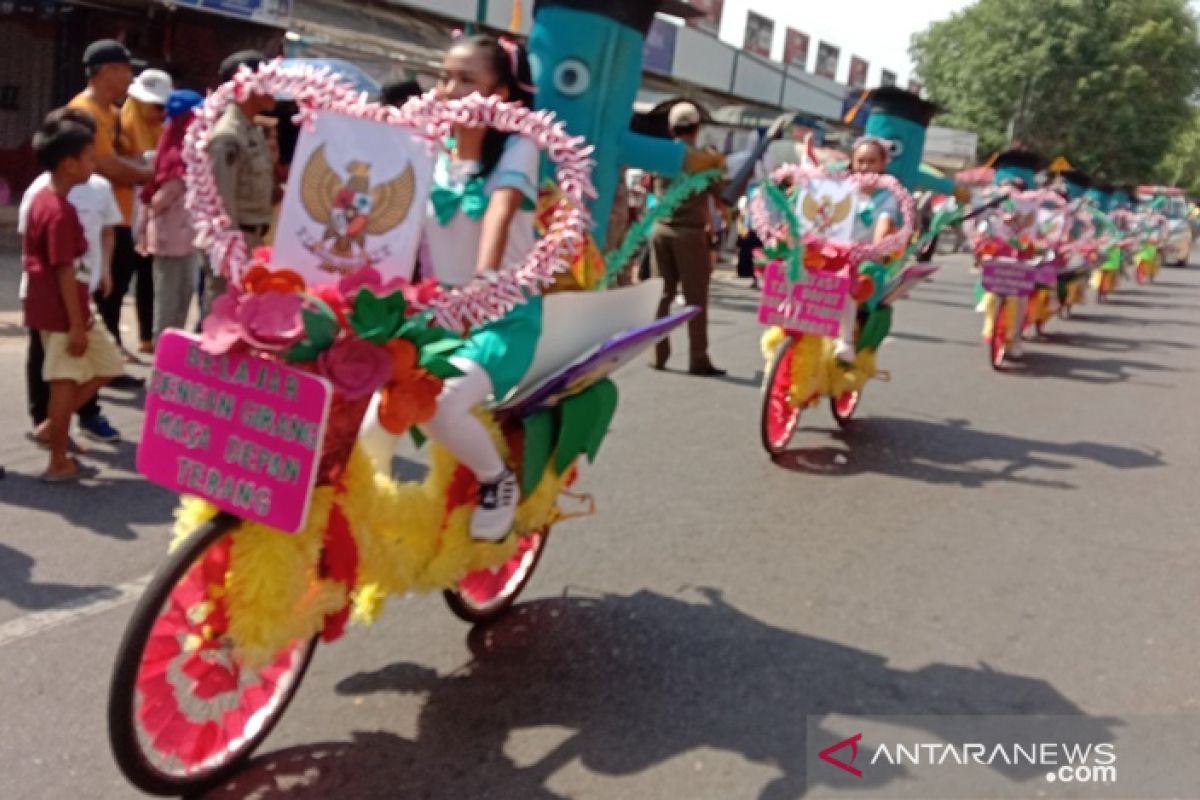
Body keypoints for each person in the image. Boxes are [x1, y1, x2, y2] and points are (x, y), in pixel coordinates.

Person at [412, 33, 540, 541]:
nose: (447, 89)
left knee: (439, 406)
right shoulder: (426, 148)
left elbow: (501, 213)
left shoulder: (519, 147)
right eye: (444, 76)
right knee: (369, 413)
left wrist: (483, 286)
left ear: (502, 95)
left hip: (499, 318)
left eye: (466, 79)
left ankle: (497, 480)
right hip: (432, 313)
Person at [23, 111, 124, 481]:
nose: (93, 164)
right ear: (68, 164)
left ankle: (54, 427)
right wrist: (76, 322)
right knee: (66, 380)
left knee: (108, 364)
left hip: (65, 305)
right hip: (63, 309)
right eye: (88, 157)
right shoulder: (57, 210)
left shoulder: (46, 200)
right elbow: (65, 270)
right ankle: (58, 461)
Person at [68, 40, 154, 367]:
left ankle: (109, 355)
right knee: (100, 289)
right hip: (94, 217)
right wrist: (149, 173)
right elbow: (105, 164)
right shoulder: (84, 111)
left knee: (114, 290)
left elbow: (127, 156)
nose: (130, 79)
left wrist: (142, 167)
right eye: (126, 70)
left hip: (118, 214)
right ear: (107, 71)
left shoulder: (114, 113)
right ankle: (100, 361)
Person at [650, 102, 727, 377]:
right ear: (696, 129)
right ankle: (698, 357)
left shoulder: (661, 155)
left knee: (663, 295)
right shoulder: (705, 160)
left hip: (660, 230)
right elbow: (720, 193)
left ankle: (657, 354)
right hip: (689, 234)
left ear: (672, 129)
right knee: (696, 298)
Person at [202, 50, 276, 315]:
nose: (274, 88)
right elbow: (221, 204)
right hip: (235, 242)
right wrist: (230, 254)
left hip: (252, 239)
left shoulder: (252, 130)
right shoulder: (228, 135)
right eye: (266, 80)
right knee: (221, 318)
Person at [137, 89, 204, 343]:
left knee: (183, 294)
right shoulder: (175, 154)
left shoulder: (189, 151)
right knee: (168, 297)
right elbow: (157, 199)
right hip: (169, 239)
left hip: (186, 239)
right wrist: (175, 186)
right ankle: (162, 349)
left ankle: (172, 346)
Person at [832, 136, 901, 363]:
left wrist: (878, 246)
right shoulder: (840, 188)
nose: (865, 167)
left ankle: (846, 342)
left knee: (850, 282)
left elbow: (884, 221)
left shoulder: (888, 196)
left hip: (865, 262)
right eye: (860, 161)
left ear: (882, 165)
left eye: (871, 161)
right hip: (832, 253)